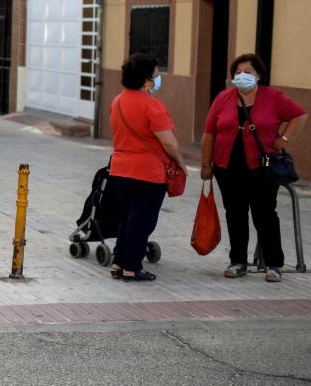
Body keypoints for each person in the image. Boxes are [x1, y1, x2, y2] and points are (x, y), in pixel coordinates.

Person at [200, 53, 307, 282]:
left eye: (248, 72)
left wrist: (283, 140)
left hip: (261, 166)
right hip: (227, 166)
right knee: (235, 213)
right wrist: (205, 164)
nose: (242, 76)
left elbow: (299, 115)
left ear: (259, 75)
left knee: (265, 214)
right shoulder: (223, 98)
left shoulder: (273, 97)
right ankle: (238, 261)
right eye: (237, 73)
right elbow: (209, 133)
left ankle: (274, 264)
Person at [108, 53, 186, 282]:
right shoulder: (153, 105)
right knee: (142, 222)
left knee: (126, 218)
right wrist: (180, 161)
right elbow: (168, 142)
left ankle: (118, 263)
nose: (158, 80)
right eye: (155, 76)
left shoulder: (117, 101)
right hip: (148, 173)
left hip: (120, 170)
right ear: (145, 80)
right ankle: (132, 268)